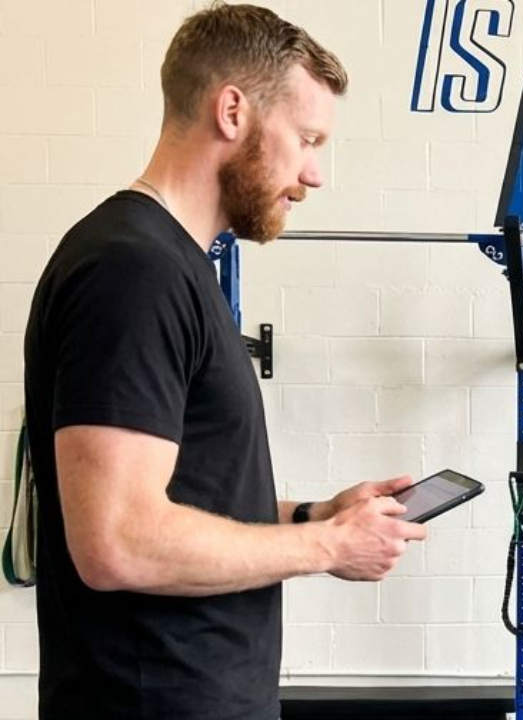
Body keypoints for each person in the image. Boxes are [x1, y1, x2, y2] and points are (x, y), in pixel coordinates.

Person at [22, 4, 427, 718]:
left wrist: (311, 516)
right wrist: (329, 547)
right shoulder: (133, 271)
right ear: (233, 111)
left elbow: (180, 499)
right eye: (305, 139)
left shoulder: (170, 266)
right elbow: (117, 540)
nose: (314, 174)